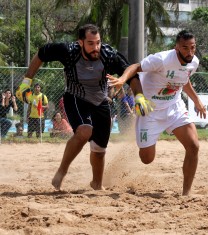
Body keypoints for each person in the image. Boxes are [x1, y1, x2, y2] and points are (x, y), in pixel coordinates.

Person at [16, 24, 152, 191]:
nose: (96, 48)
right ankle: (62, 170)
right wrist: (26, 82)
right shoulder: (68, 51)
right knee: (84, 131)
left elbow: (131, 75)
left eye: (98, 42)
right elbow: (42, 53)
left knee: (99, 149)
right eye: (90, 43)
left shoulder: (108, 54)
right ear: (80, 42)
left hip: (100, 101)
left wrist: (139, 96)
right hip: (75, 97)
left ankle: (96, 183)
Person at [108, 30, 207, 196]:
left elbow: (184, 80)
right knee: (147, 159)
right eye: (185, 48)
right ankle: (150, 137)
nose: (189, 52)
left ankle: (186, 193)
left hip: (174, 108)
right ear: (176, 47)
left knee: (194, 146)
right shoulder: (162, 59)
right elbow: (135, 67)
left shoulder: (193, 62)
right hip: (150, 111)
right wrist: (123, 80)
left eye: (193, 47)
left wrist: (196, 100)